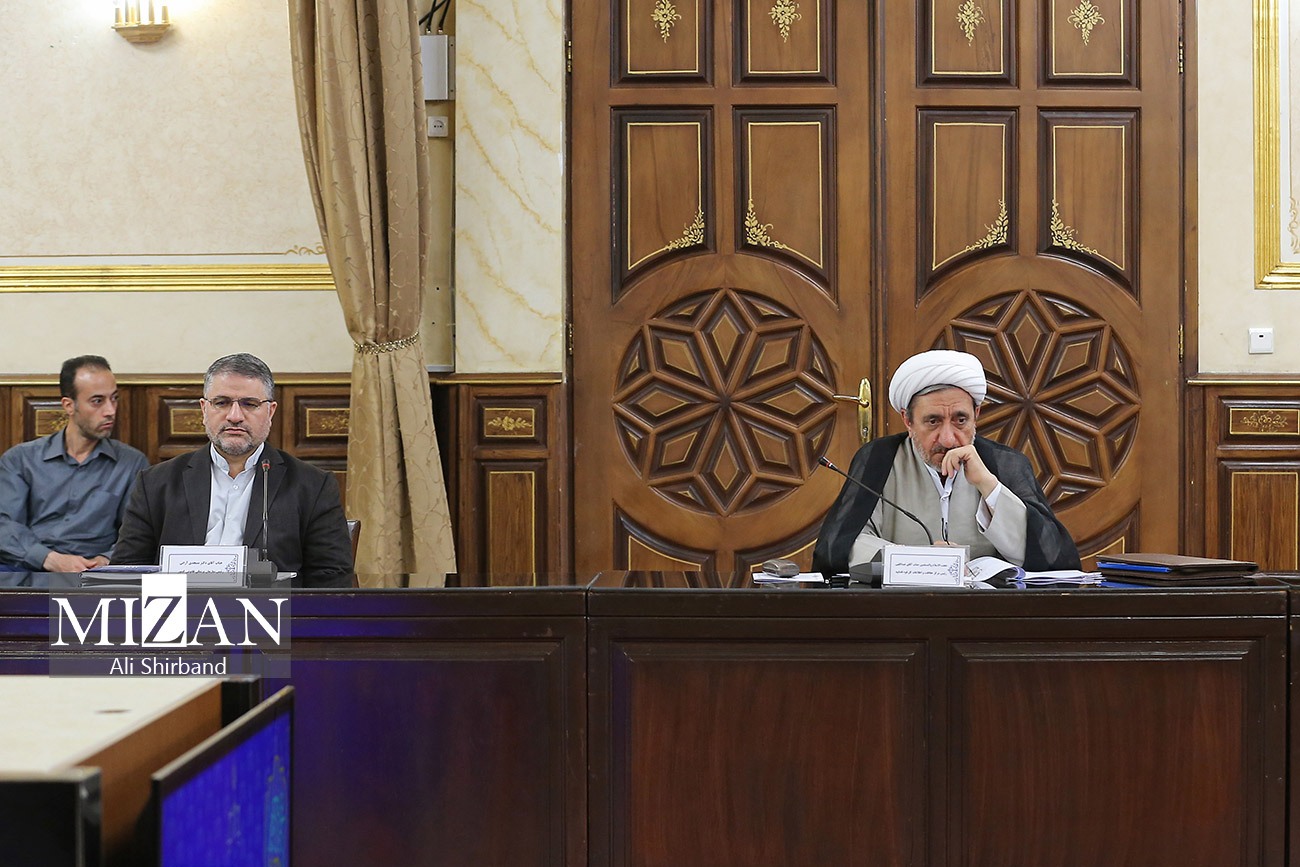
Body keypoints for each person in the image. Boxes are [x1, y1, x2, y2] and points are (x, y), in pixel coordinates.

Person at [812, 349, 1080, 576]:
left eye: (961, 420)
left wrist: (988, 486)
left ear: (976, 415)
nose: (949, 439)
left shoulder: (1004, 463)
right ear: (908, 421)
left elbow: (1052, 555)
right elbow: (842, 546)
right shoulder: (879, 459)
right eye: (933, 421)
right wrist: (921, 562)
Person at [112, 353, 353, 583]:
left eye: (250, 404)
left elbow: (331, 578)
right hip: (179, 609)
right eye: (222, 403)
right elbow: (126, 571)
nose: (235, 416)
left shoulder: (312, 486)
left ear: (270, 412)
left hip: (270, 610)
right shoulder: (156, 483)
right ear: (204, 409)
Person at [0, 356, 149, 572]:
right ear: (69, 405)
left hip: (96, 572)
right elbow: (4, 526)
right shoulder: (21, 459)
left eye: (114, 398)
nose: (110, 410)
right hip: (30, 568)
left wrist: (106, 560)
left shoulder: (131, 463)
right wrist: (50, 559)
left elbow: (138, 533)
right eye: (97, 401)